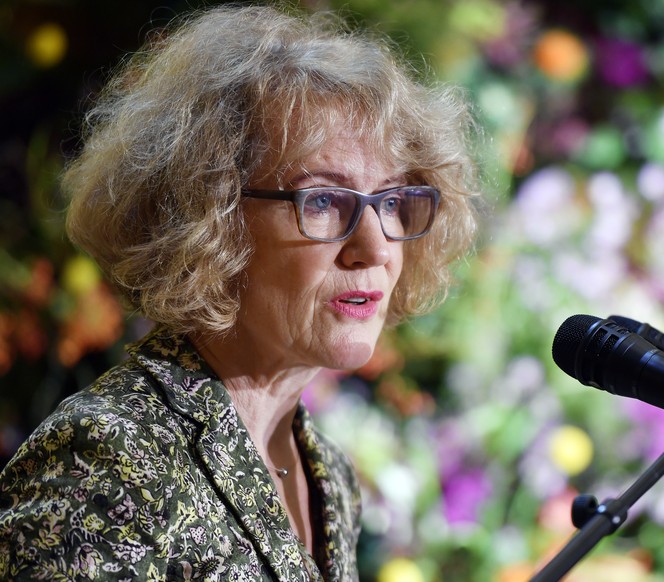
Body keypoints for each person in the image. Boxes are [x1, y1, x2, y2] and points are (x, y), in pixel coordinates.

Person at [0, 4, 479, 580]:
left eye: (393, 201)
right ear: (208, 220)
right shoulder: (109, 459)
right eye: (324, 201)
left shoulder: (331, 476)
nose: (375, 249)